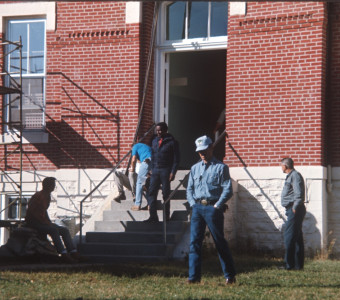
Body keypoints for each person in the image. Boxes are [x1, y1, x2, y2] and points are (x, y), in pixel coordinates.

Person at [186, 135, 236, 284]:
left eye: (204, 150)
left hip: (212, 208)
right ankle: (194, 277)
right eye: (199, 151)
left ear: (211, 148)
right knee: (194, 242)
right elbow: (189, 188)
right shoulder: (194, 168)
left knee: (219, 241)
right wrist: (192, 204)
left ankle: (229, 275)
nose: (202, 153)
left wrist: (217, 206)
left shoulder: (221, 167)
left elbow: (228, 190)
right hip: (197, 208)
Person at [25, 177, 83, 263]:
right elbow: (33, 212)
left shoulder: (47, 196)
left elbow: (44, 211)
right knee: (53, 230)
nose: (54, 187)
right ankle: (63, 254)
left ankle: (72, 252)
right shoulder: (38, 196)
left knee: (64, 230)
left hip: (42, 222)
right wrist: (45, 223)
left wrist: (48, 222)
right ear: (48, 185)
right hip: (33, 222)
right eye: (53, 185)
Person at [144, 122, 180, 222]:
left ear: (165, 130)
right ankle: (153, 216)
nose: (158, 132)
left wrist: (173, 172)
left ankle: (166, 217)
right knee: (151, 193)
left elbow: (176, 159)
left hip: (165, 170)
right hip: (155, 170)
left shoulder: (172, 142)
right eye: (157, 130)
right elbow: (152, 155)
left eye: (160, 130)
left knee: (165, 194)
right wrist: (150, 168)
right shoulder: (154, 140)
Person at [280, 157, 306, 270]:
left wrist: (295, 207)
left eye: (281, 165)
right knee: (297, 237)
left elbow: (298, 193)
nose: (281, 167)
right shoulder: (291, 176)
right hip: (292, 209)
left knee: (289, 237)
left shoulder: (295, 175)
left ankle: (289, 265)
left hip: (295, 209)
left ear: (285, 166)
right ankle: (298, 265)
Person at [130, 139, 152, 211]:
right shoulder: (145, 147)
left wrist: (132, 169)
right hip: (154, 162)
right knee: (147, 184)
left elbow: (133, 160)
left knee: (139, 183)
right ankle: (150, 205)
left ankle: (137, 204)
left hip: (147, 161)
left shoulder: (135, 147)